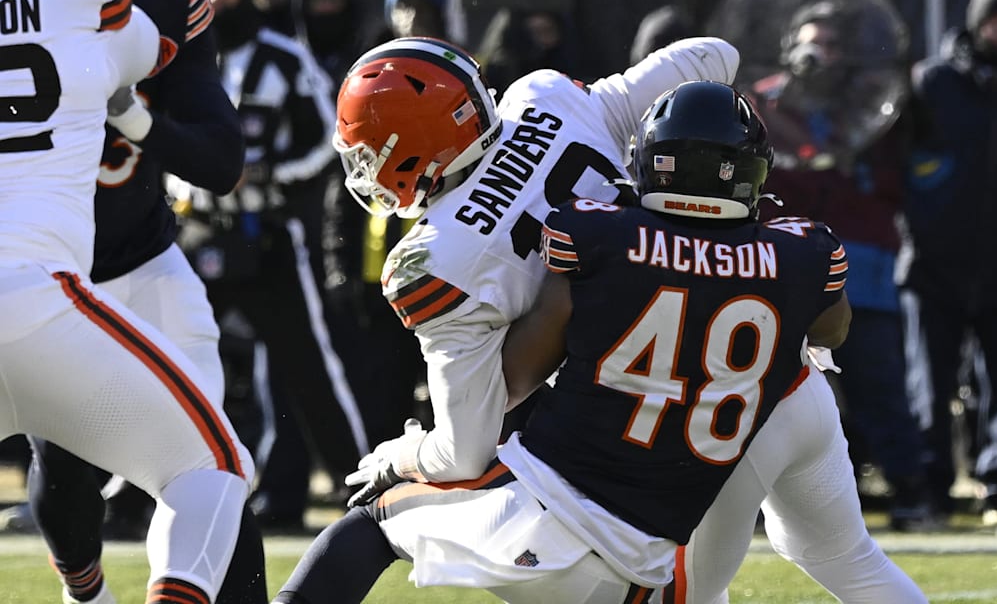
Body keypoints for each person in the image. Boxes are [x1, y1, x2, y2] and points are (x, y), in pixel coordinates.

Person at [273, 80, 927, 603]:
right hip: (776, 404)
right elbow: (830, 327)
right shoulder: (802, 249)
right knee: (845, 557)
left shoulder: (597, 238)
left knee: (367, 527)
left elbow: (520, 374)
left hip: (608, 505)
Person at [270, 35, 742, 603]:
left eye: (370, 152)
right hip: (735, 373)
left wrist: (397, 454)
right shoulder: (545, 98)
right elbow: (715, 55)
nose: (366, 169)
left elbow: (463, 450)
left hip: (614, 430)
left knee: (373, 520)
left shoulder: (435, 259)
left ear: (414, 148)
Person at [14, 0, 270, 602]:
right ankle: (86, 591)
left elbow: (220, 160)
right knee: (67, 481)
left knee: (209, 464)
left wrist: (134, 119)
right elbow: (130, 40)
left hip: (143, 266)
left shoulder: (161, 9)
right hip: (55, 277)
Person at [177, 0, 369, 529]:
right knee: (165, 359)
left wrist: (265, 174)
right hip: (194, 232)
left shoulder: (282, 57)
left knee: (309, 370)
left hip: (266, 238)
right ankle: (126, 496)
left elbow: (330, 143)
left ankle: (361, 489)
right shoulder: (175, 53)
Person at [745, 0, 933, 532]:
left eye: (830, 44)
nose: (817, 53)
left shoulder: (874, 105)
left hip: (863, 262)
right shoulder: (764, 104)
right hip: (783, 267)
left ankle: (911, 491)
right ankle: (755, 498)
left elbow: (892, 182)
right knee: (772, 387)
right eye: (810, 41)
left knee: (879, 382)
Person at [902, 0, 997, 526]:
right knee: (928, 389)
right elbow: (902, 162)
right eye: (994, 20)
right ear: (978, 23)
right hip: (933, 264)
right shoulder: (931, 82)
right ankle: (930, 492)